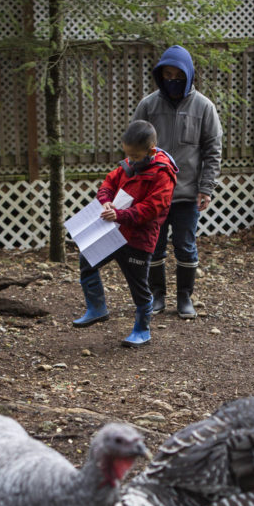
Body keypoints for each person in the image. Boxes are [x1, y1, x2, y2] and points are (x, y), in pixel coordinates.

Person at [132, 45, 222, 319]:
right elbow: (134, 146)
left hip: (186, 194)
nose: (172, 80)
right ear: (160, 76)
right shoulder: (148, 105)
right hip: (153, 196)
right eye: (167, 75)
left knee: (185, 246)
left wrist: (206, 188)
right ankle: (157, 296)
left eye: (178, 76)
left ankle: (185, 298)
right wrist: (136, 184)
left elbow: (212, 150)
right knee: (154, 246)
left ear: (189, 76)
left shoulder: (204, 107)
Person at [72, 120, 177, 347]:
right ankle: (97, 308)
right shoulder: (128, 165)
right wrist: (106, 203)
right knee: (87, 260)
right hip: (113, 230)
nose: (131, 160)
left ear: (150, 151)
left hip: (138, 239)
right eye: (127, 155)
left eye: (136, 156)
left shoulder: (162, 173)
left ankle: (142, 330)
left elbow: (153, 207)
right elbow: (107, 184)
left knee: (138, 284)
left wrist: (121, 215)